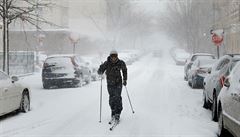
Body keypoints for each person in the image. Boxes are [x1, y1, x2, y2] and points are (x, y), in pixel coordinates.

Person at [98, 50, 127, 123]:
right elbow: (100, 71)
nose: (114, 58)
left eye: (115, 56)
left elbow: (124, 70)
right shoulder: (107, 63)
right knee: (112, 98)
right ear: (110, 56)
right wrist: (100, 70)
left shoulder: (120, 62)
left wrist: (125, 79)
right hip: (110, 83)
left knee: (117, 97)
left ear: (117, 56)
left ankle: (118, 113)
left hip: (118, 83)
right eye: (112, 56)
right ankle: (113, 111)